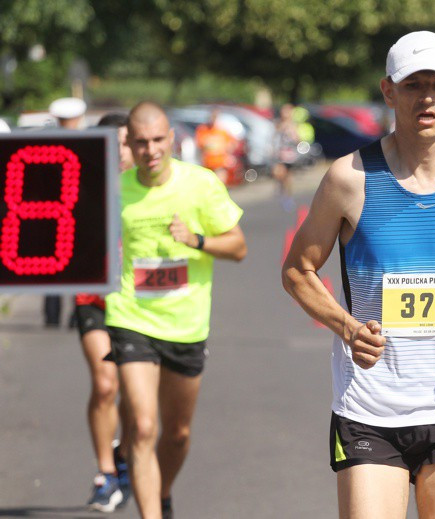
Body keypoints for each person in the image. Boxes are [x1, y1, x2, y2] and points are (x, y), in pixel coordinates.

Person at [282, 31, 435, 518]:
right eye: (413, 85)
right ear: (389, 91)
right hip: (369, 411)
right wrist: (348, 328)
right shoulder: (349, 178)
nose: (427, 96)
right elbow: (298, 270)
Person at [105, 101, 247, 519]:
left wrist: (197, 241)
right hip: (130, 316)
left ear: (171, 139)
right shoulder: (115, 189)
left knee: (178, 433)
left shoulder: (200, 185)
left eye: (157, 140)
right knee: (144, 426)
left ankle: (161, 492)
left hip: (186, 323)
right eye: (141, 142)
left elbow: (238, 247)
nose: (150, 150)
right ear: (129, 144)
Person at [78, 112, 135, 512]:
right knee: (104, 383)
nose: (118, 152)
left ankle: (125, 453)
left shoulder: (150, 189)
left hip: (138, 305)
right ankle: (106, 474)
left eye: (125, 143)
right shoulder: (80, 185)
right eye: (109, 143)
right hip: (92, 299)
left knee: (136, 395)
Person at [43, 97, 88, 327]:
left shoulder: (47, 142)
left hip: (65, 213)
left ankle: (69, 315)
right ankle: (56, 314)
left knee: (69, 265)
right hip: (54, 213)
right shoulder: (86, 144)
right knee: (56, 266)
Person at [194, 108, 238, 183]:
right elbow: (200, 144)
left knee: (220, 185)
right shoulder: (203, 130)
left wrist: (228, 153)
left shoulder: (222, 131)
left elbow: (233, 143)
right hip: (207, 164)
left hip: (220, 164)